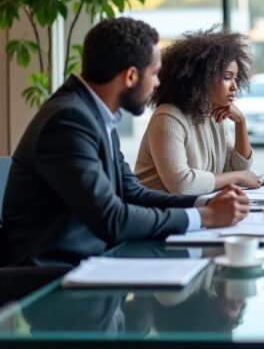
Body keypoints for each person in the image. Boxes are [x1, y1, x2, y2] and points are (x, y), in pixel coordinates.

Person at [0, 18, 250, 267]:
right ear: (131, 76)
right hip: (48, 278)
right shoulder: (68, 120)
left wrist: (206, 202)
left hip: (88, 265)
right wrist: (204, 216)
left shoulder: (94, 114)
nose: (158, 83)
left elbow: (132, 193)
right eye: (153, 73)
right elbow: (112, 218)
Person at [134, 29, 260, 194]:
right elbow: (181, 185)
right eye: (227, 77)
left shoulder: (212, 114)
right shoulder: (168, 117)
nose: (234, 86)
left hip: (193, 208)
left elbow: (238, 167)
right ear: (202, 78)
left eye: (236, 79)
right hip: (157, 212)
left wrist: (240, 123)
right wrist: (238, 177)